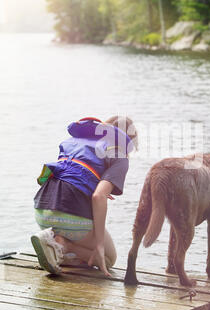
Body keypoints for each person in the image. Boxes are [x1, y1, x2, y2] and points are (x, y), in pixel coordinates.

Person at [31, 115, 138, 276]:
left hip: (41, 210)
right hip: (70, 216)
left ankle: (56, 246)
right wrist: (99, 245)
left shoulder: (75, 142)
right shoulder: (120, 156)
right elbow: (98, 197)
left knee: (82, 258)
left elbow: (68, 177)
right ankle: (64, 245)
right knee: (108, 258)